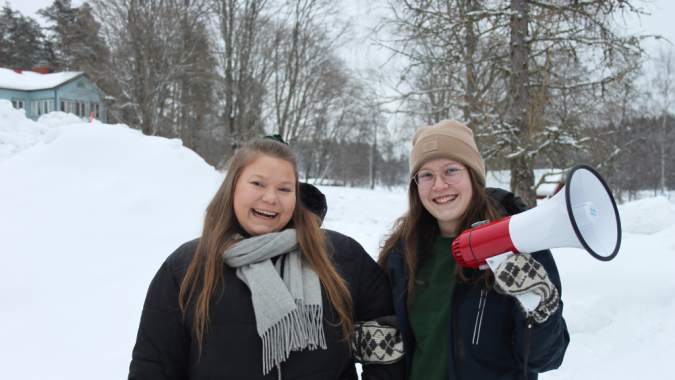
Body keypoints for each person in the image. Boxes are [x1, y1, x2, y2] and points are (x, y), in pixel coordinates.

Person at [129, 137, 405, 380]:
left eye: (285, 189)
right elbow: (155, 367)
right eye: (258, 183)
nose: (270, 198)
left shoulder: (341, 255)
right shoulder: (186, 267)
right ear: (233, 187)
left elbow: (388, 345)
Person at [379, 120, 569, 380]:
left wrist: (539, 305)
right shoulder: (400, 255)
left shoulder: (517, 244)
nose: (439, 185)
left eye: (451, 171)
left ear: (473, 175)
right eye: (426, 175)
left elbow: (545, 359)